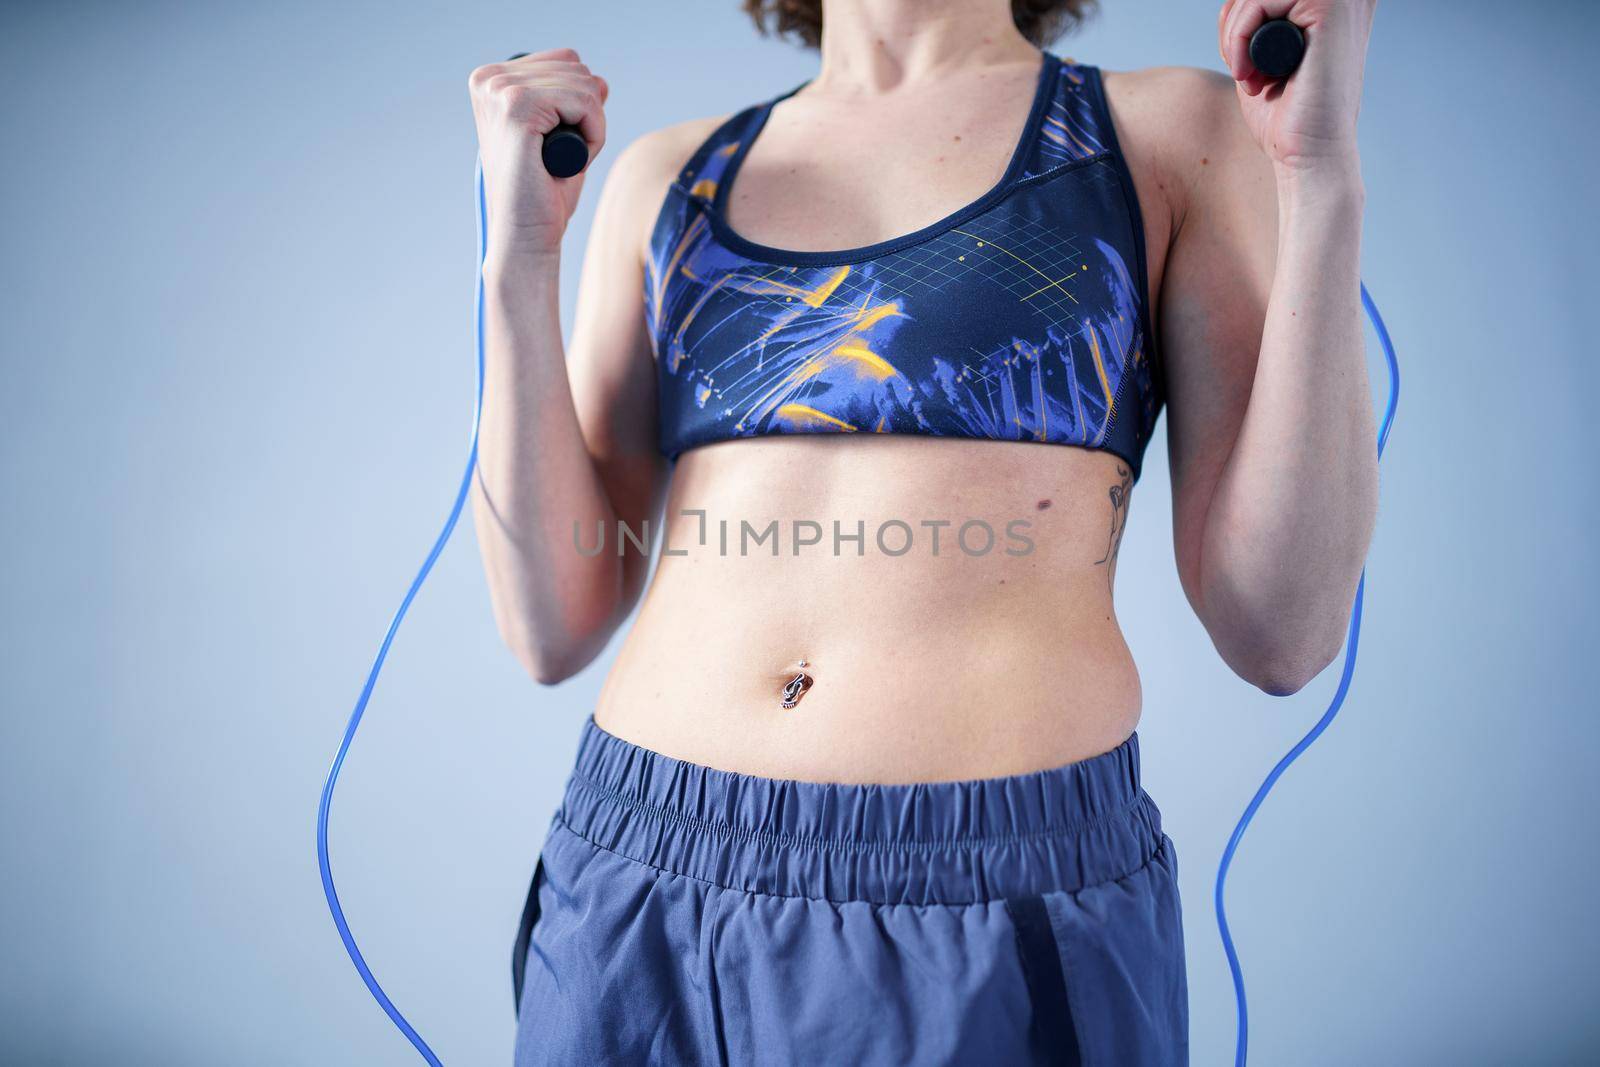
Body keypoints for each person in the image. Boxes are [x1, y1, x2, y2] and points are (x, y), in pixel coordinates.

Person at [467, 0, 1378, 1062]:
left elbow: (1283, 632)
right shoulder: (667, 175)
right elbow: (548, 625)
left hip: (984, 889)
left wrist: (1318, 179)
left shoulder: (1166, 133)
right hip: (633, 870)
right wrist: (518, 259)